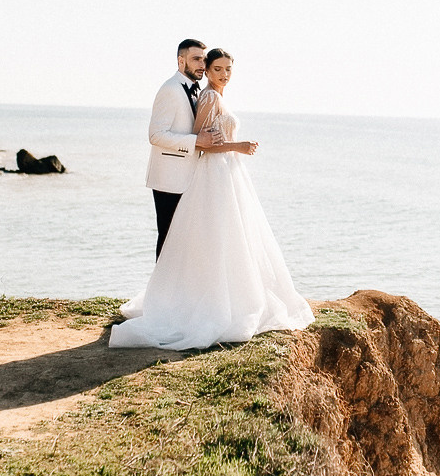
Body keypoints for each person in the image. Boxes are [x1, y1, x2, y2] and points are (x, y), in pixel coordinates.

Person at [110, 47, 314, 349]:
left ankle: (221, 295)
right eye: (217, 68)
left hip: (226, 174)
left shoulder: (211, 95)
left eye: (228, 69)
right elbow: (201, 142)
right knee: (213, 237)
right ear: (206, 70)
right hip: (213, 173)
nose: (224, 74)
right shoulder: (208, 97)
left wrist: (234, 147)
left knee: (228, 239)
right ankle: (197, 302)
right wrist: (238, 145)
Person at [144, 39, 223, 258]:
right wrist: (195, 141)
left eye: (203, 59)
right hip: (168, 178)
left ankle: (179, 290)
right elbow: (155, 135)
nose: (201, 64)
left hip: (189, 177)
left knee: (185, 238)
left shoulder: (198, 90)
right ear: (181, 61)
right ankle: (161, 291)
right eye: (196, 59)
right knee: (169, 237)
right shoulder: (170, 89)